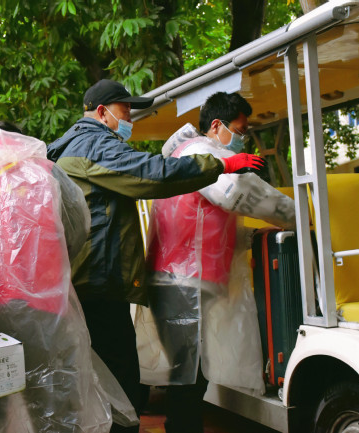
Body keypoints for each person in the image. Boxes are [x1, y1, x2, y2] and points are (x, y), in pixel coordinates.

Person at [46, 79, 265, 432]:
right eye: (125, 109)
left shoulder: (65, 146)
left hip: (82, 279)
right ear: (102, 112)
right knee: (124, 389)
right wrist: (221, 165)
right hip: (100, 282)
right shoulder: (95, 144)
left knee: (98, 383)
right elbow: (154, 174)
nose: (130, 116)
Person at [0, 124, 138, 433]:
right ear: (22, 139)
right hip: (44, 309)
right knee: (54, 403)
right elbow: (77, 228)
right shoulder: (47, 171)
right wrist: (54, 268)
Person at [144, 92, 295, 433]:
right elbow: (240, 194)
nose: (242, 136)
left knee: (190, 371)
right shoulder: (202, 153)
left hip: (183, 276)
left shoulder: (186, 152)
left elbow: (207, 221)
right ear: (217, 125)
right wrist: (300, 213)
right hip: (184, 278)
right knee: (189, 374)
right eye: (240, 129)